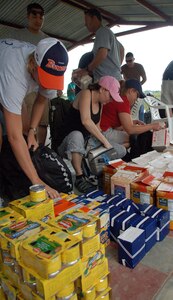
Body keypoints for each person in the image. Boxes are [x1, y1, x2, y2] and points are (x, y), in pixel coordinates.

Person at [0, 37, 68, 199]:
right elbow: (14, 136)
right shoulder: (14, 73)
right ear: (34, 65)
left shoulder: (50, 65)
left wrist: (32, 130)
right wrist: (37, 181)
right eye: (46, 77)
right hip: (5, 71)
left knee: (25, 131)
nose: (48, 84)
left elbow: (41, 100)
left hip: (10, 83)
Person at [57, 76, 126, 193]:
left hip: (85, 142)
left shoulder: (101, 103)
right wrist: (105, 142)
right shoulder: (86, 94)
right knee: (77, 135)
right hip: (68, 142)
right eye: (110, 96)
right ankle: (79, 177)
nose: (111, 100)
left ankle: (97, 173)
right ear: (102, 89)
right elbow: (86, 121)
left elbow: (97, 128)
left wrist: (105, 146)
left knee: (121, 150)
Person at [8, 3, 51, 145]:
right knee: (25, 123)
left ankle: (40, 151)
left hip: (43, 84)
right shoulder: (16, 36)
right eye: (34, 15)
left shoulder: (47, 40)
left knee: (43, 121)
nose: (38, 19)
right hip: (24, 85)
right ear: (28, 16)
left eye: (41, 16)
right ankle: (24, 148)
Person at [100, 79, 165, 150]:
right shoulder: (123, 101)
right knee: (138, 138)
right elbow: (130, 130)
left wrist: (134, 122)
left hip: (105, 130)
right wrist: (152, 126)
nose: (136, 99)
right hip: (104, 132)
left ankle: (118, 148)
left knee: (135, 138)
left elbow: (118, 127)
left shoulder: (120, 98)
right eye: (137, 96)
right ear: (131, 91)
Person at [72, 8, 122, 83]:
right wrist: (116, 67)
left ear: (94, 18)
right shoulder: (109, 33)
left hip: (107, 82)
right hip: (114, 78)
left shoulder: (102, 31)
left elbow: (102, 54)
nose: (85, 24)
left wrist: (87, 70)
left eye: (86, 20)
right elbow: (122, 49)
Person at [121, 52, 147, 122]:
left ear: (134, 59)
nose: (128, 63)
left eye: (130, 61)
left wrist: (137, 86)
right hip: (127, 90)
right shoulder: (123, 67)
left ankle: (142, 124)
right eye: (127, 61)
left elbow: (145, 79)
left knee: (140, 109)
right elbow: (117, 75)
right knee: (127, 109)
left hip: (137, 89)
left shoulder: (139, 66)